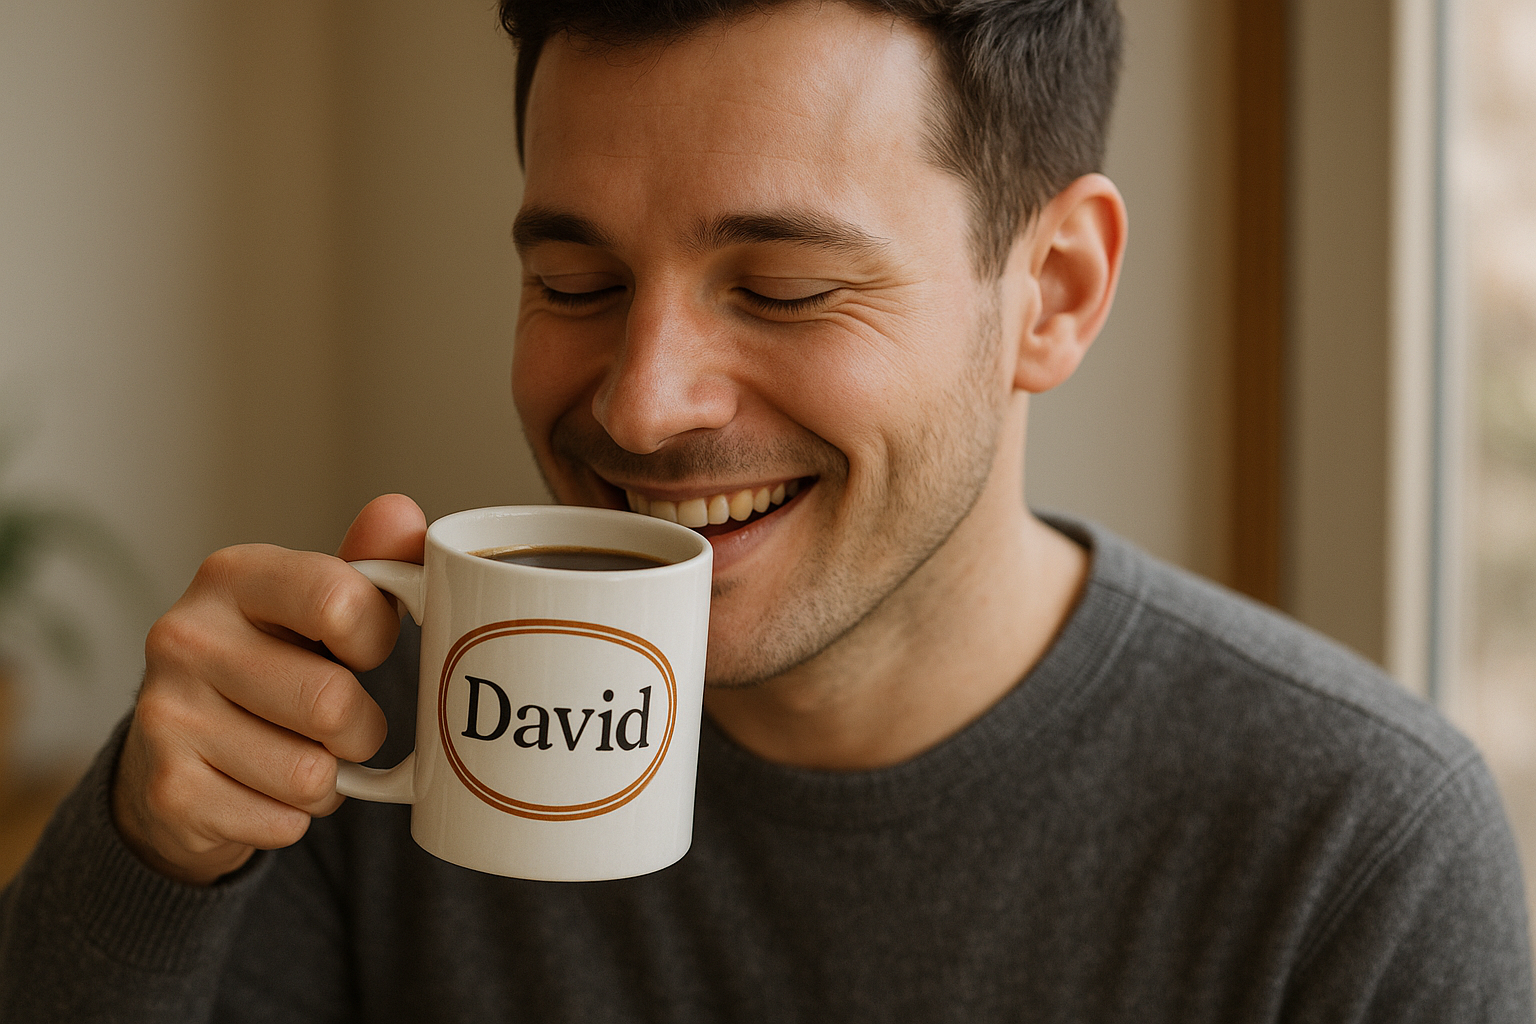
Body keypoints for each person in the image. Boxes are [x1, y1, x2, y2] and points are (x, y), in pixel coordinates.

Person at [1, 0, 1531, 1019]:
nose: (641, 402)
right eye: (573, 283)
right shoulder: (374, 732)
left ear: (1052, 295)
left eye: (786, 286)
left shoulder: (1352, 850)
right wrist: (143, 860)